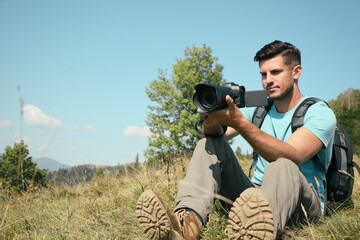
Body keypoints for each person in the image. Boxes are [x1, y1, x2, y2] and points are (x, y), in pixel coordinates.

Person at [136, 40, 336, 239]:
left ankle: (260, 231)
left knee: (282, 164)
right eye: (263, 74)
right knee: (207, 143)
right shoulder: (259, 109)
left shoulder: (318, 113)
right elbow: (216, 136)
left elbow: (294, 156)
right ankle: (185, 225)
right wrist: (212, 117)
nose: (268, 80)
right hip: (254, 199)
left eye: (275, 72)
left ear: (296, 72)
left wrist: (240, 122)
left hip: (303, 205)